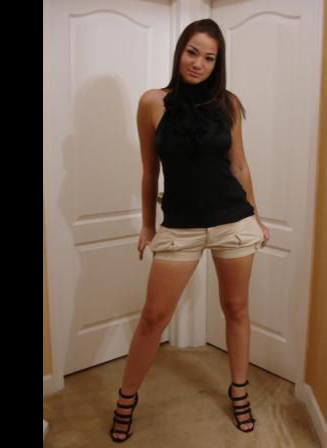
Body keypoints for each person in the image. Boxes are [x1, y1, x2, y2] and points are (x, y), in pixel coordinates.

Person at [109, 18, 270, 443]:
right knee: (153, 317)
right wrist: (148, 224)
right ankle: (126, 398)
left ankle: (239, 391)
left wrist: (256, 216)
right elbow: (150, 171)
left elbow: (239, 165)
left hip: (233, 222)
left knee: (236, 310)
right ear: (180, 51)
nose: (198, 63)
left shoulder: (228, 104)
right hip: (179, 227)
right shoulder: (152, 103)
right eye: (192, 52)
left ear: (218, 63)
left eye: (209, 57)